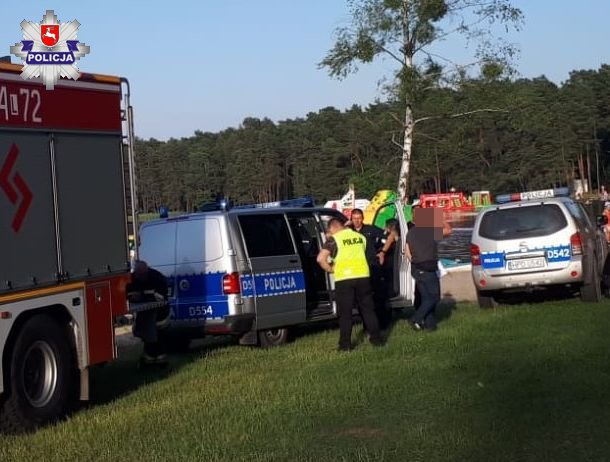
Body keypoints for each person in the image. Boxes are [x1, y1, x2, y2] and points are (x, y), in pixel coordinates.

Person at [317, 218, 384, 351]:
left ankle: (345, 345)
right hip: (363, 276)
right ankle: (377, 340)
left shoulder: (334, 240)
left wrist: (331, 269)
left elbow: (320, 259)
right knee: (368, 310)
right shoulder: (360, 237)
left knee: (345, 314)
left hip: (344, 279)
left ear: (333, 228)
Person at [404, 208, 451, 332]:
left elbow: (407, 252)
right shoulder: (431, 231)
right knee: (434, 297)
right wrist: (441, 219)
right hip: (428, 268)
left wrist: (415, 262)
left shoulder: (410, 233)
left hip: (416, 268)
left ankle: (430, 326)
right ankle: (415, 318)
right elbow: (448, 230)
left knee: (426, 299)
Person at [347, 208, 388, 328]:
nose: (357, 221)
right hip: (358, 269)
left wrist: (383, 252)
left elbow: (390, 235)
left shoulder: (370, 229)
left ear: (363, 218)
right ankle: (366, 325)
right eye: (354, 218)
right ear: (351, 219)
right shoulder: (348, 232)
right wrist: (346, 225)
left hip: (372, 266)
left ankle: (382, 323)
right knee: (362, 299)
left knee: (377, 297)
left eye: (359, 218)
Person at [127, 260, 170, 365]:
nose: (140, 278)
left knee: (156, 335)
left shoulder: (157, 278)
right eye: (138, 275)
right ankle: (150, 358)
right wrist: (133, 297)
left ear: (146, 271)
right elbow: (127, 293)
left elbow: (161, 298)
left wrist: (142, 296)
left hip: (160, 314)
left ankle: (159, 360)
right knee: (146, 333)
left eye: (142, 275)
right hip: (144, 312)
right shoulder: (133, 278)